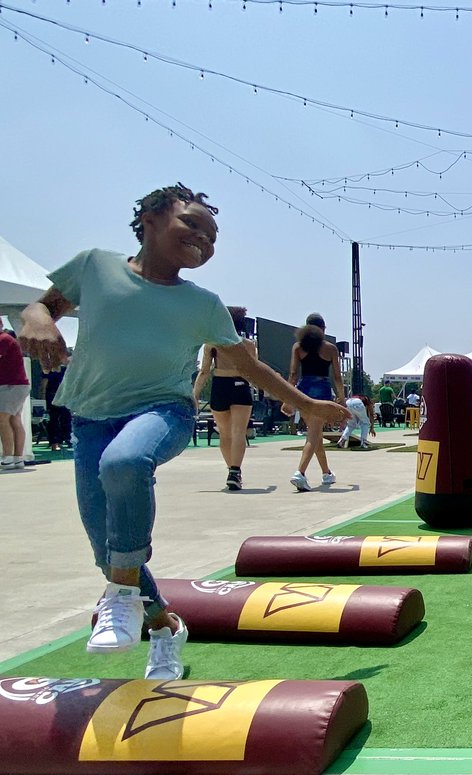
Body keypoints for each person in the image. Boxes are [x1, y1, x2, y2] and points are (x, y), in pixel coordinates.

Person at [16, 182, 348, 680]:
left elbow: (249, 367)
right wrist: (37, 318)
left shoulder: (203, 304)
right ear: (149, 217)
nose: (203, 239)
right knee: (109, 554)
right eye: (192, 223)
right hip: (89, 420)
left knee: (126, 463)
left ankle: (122, 598)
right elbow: (43, 306)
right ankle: (164, 626)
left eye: (212, 237)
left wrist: (306, 405)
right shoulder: (95, 267)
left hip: (163, 411)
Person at [193, 306, 256, 490]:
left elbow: (204, 371)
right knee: (238, 432)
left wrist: (195, 395)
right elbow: (254, 371)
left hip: (220, 385)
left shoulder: (212, 344)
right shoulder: (248, 345)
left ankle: (231, 470)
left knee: (224, 433)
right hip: (240, 386)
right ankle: (235, 471)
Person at [287, 313, 344, 492]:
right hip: (322, 389)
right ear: (323, 329)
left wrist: (288, 398)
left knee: (315, 433)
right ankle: (300, 473)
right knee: (314, 432)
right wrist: (341, 397)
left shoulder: (298, 347)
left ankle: (326, 473)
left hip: (304, 389)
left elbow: (293, 374)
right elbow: (337, 376)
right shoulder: (330, 348)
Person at [0, 328, 31, 468]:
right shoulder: (7, 339)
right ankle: (18, 459)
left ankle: (7, 458)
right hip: (18, 385)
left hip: (11, 386)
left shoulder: (3, 339)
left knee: (2, 419)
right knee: (14, 420)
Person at [43, 351, 72, 452]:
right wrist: (42, 398)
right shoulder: (50, 370)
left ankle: (67, 439)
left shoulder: (67, 370)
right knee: (54, 419)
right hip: (53, 396)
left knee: (66, 418)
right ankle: (55, 442)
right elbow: (44, 383)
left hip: (64, 396)